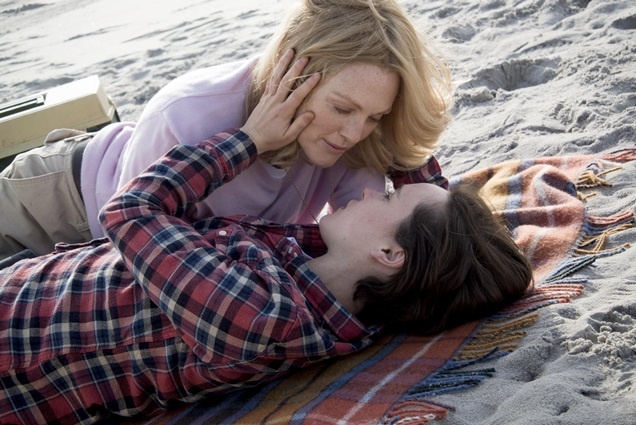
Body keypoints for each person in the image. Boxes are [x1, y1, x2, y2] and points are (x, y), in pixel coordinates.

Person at [0, 57, 531, 424]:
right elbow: (427, 191)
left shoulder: (259, 314)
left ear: (390, 253)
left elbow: (130, 210)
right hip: (37, 275)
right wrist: (384, 102)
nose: (375, 191)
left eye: (389, 198)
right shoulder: (337, 283)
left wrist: (251, 139)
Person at [0, 0, 453, 260]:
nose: (354, 132)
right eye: (342, 108)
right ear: (292, 73)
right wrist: (250, 143)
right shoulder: (187, 113)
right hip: (60, 198)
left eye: (375, 116)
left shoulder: (356, 133)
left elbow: (376, 236)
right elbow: (131, 242)